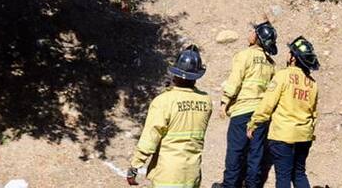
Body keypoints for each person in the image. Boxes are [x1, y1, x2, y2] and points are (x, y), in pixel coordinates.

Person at [128, 46, 212, 187]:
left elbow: (150, 138)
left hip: (168, 175)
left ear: (175, 74)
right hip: (192, 174)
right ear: (197, 76)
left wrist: (135, 165)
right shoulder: (206, 101)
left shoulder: (163, 101)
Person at [248, 37, 320, 188]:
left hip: (283, 135)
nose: (287, 55)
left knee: (283, 177)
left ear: (294, 58)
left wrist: (254, 123)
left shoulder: (282, 76)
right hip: (304, 135)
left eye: (290, 52)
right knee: (299, 173)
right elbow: (313, 113)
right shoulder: (312, 84)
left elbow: (267, 103)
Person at [217, 21, 278, 188]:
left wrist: (225, 102)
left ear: (256, 38)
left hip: (242, 112)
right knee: (256, 154)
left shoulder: (244, 55)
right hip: (261, 115)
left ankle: (230, 185)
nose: (249, 33)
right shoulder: (271, 64)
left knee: (235, 152)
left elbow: (235, 80)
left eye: (253, 31)